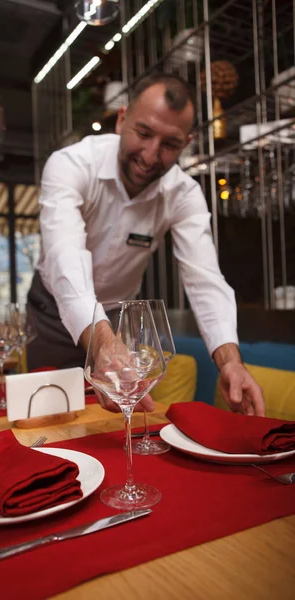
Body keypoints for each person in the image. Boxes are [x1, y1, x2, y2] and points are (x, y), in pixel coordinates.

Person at [27, 72, 265, 417]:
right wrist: (103, 344)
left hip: (117, 317)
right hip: (51, 315)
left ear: (185, 144)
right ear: (122, 120)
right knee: (47, 423)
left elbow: (205, 280)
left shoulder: (183, 195)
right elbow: (65, 261)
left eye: (169, 144)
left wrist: (230, 361)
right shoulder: (71, 165)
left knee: (113, 432)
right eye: (144, 133)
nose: (151, 155)